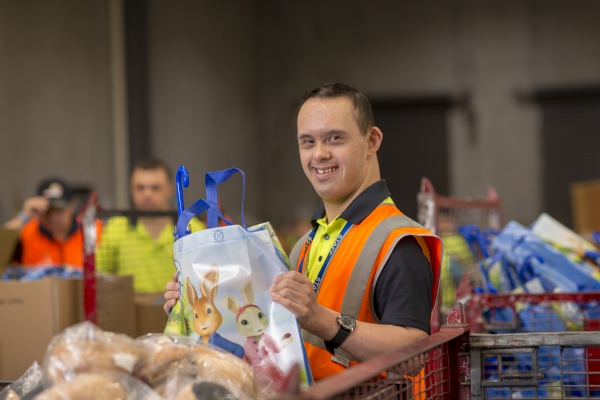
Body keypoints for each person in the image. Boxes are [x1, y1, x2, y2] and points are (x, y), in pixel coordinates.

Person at [163, 83, 442, 381]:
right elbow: (269, 336)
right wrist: (199, 314)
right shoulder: (303, 246)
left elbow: (414, 354)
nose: (319, 154)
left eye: (334, 138)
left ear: (371, 141)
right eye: (307, 142)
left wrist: (322, 319)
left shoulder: (397, 242)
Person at [96, 158, 204, 293]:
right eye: (140, 188)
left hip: (178, 311)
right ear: (131, 189)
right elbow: (99, 276)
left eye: (155, 188)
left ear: (171, 189)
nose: (147, 194)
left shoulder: (192, 227)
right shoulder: (116, 227)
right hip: (129, 312)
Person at [5, 178, 101, 267]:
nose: (52, 217)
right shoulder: (28, 232)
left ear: (72, 205)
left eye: (58, 210)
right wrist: (24, 216)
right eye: (47, 210)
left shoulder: (93, 229)